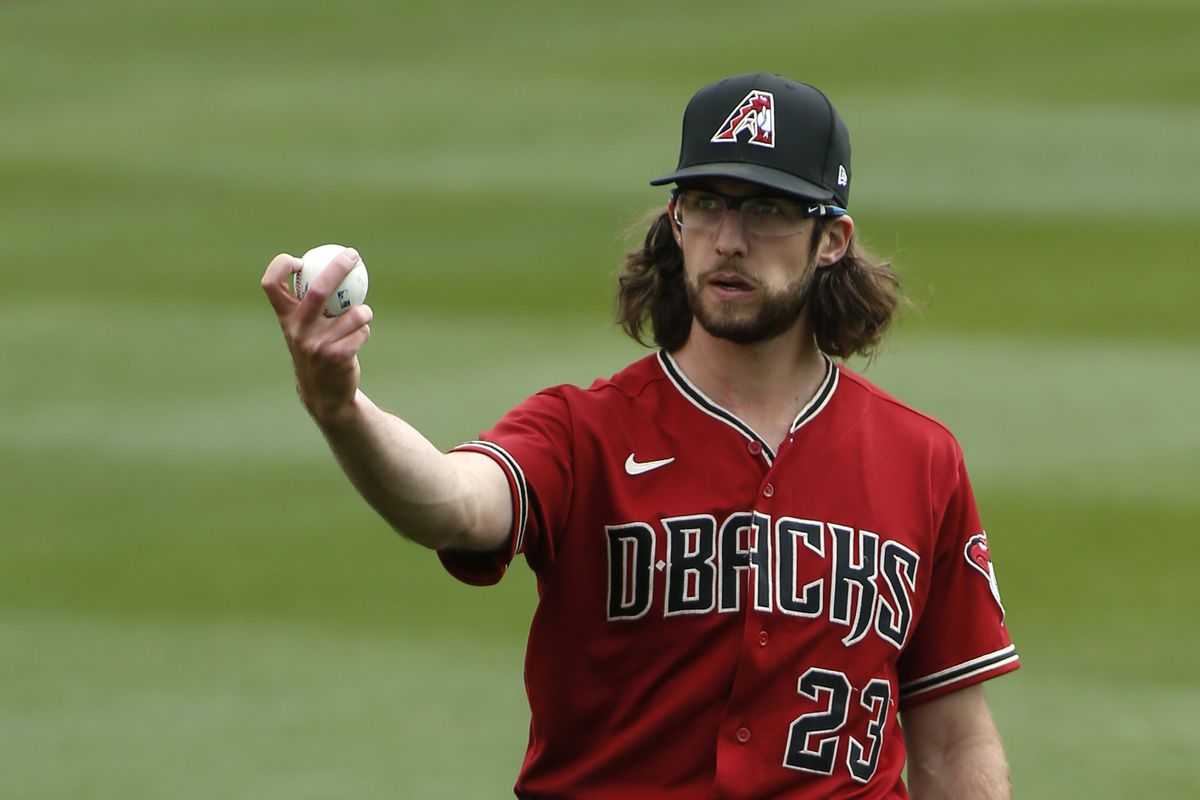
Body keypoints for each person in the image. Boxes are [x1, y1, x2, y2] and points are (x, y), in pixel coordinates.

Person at [261, 72, 1020, 799]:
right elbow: (453, 503)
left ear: (832, 239)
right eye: (706, 203)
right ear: (676, 221)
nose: (729, 239)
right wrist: (341, 409)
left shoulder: (919, 458)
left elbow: (952, 738)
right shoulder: (581, 432)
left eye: (768, 209)